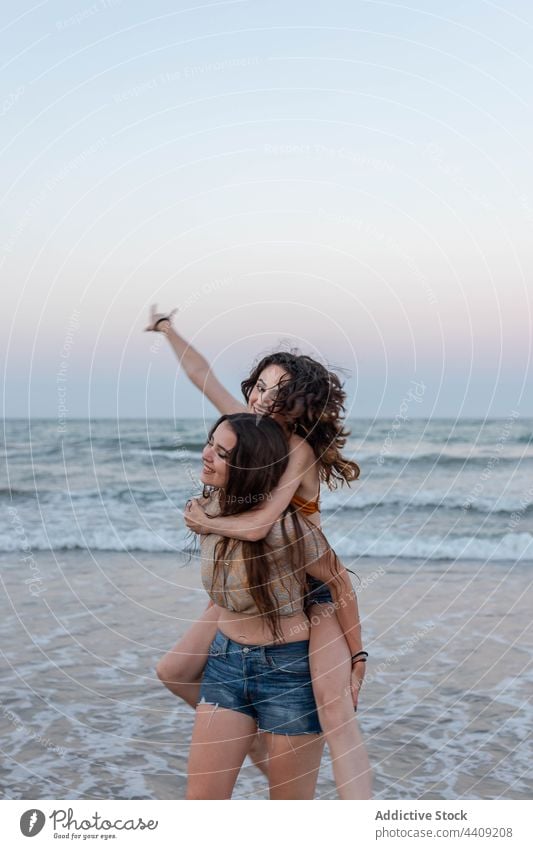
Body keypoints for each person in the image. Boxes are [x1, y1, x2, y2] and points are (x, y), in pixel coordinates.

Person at [146, 305, 373, 799]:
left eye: (280, 392)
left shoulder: (297, 449)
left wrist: (204, 519)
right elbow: (202, 375)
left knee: (336, 713)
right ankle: (256, 750)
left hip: (304, 589)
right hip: (249, 578)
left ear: (300, 405)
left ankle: (351, 814)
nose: (264, 399)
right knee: (173, 671)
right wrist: (167, 329)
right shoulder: (250, 430)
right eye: (261, 386)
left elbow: (262, 524)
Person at [186, 412, 365, 800]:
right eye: (210, 444)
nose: (207, 455)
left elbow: (339, 582)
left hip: (288, 673)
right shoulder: (205, 510)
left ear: (249, 468)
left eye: (221, 453)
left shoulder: (288, 529)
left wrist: (358, 654)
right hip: (225, 665)